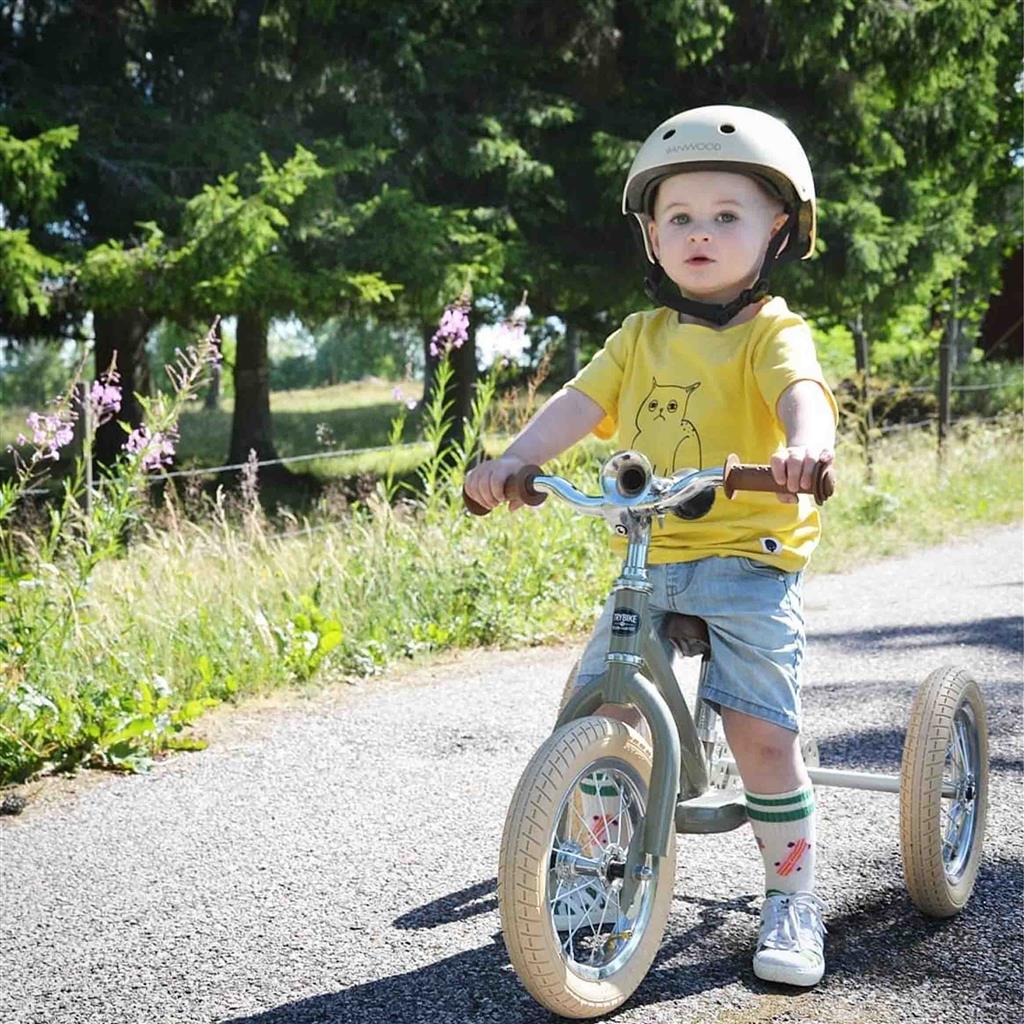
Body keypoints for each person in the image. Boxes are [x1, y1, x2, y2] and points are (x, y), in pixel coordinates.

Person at [464, 105, 837, 987]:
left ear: (777, 230)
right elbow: (579, 405)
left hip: (750, 556)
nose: (700, 232)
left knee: (761, 740)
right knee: (603, 713)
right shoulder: (639, 337)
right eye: (680, 217)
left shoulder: (770, 331)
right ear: (651, 236)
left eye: (726, 214)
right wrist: (519, 459)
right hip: (654, 555)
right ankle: (594, 876)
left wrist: (806, 450)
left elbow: (802, 396)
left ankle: (791, 896)